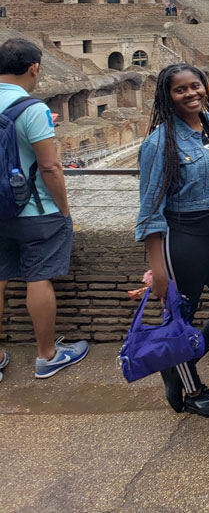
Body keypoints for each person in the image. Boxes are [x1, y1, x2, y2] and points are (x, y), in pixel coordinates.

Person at [136, 63, 209, 418]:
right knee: (181, 319)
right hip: (185, 238)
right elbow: (150, 211)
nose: (191, 94)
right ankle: (193, 390)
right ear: (167, 96)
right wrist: (158, 270)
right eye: (180, 90)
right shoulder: (160, 142)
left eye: (195, 86)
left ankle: (175, 361)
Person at [0, 38, 87, 380]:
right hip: (34, 211)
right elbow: (50, 167)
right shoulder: (31, 109)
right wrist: (63, 208)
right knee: (38, 278)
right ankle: (47, 355)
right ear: (34, 67)